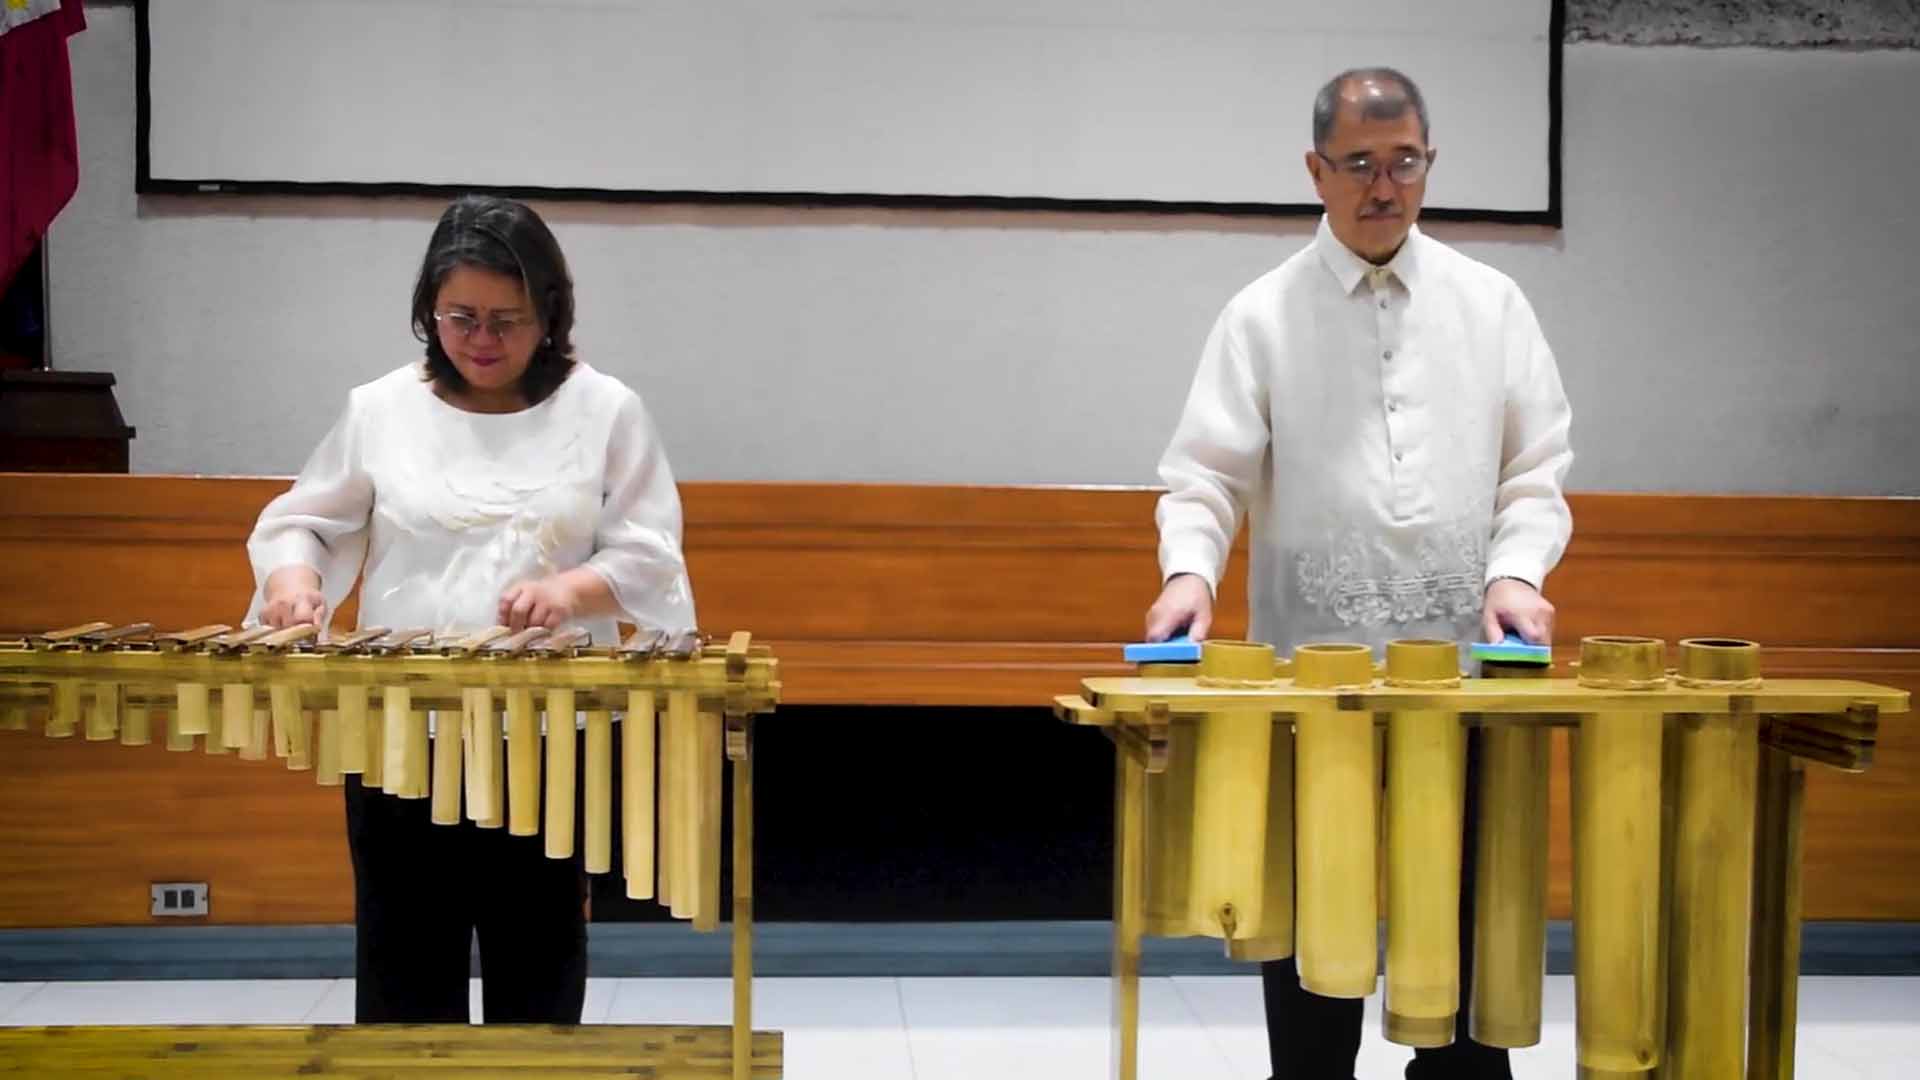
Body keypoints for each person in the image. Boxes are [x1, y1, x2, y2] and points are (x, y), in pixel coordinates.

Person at [1144, 68, 1573, 1080]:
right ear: (1316, 172)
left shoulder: (1493, 304)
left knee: (1463, 952)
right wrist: (1188, 572)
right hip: (1314, 680)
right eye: (1360, 165)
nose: (1385, 186)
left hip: (1463, 676)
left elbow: (1537, 467)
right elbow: (1204, 476)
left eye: (1406, 162)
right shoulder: (1259, 316)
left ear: (1430, 163)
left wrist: (1515, 573)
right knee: (1313, 946)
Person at [246, 194, 696, 1024]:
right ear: (429, 312)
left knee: (540, 960)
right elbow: (303, 523)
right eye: (461, 318)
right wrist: (292, 581)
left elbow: (648, 552)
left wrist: (570, 589)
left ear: (550, 315)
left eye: (508, 321)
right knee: (403, 965)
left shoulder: (606, 410)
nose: (483, 342)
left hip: (550, 734)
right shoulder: (380, 409)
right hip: (398, 733)